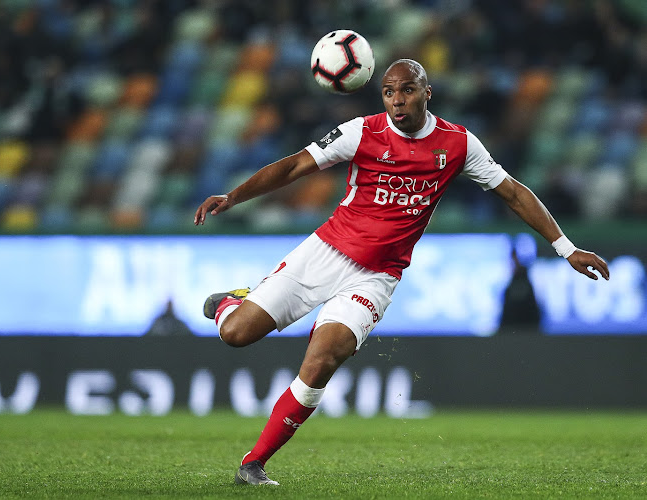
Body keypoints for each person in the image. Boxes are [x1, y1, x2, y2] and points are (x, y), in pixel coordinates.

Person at [193, 59, 610, 486]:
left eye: (407, 90)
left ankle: (254, 464)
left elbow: (513, 193)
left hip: (376, 277)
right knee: (236, 335)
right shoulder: (361, 132)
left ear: (427, 93)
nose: (397, 100)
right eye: (389, 92)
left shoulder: (458, 143)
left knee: (322, 361)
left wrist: (566, 248)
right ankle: (232, 302)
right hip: (324, 252)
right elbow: (296, 166)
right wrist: (233, 196)